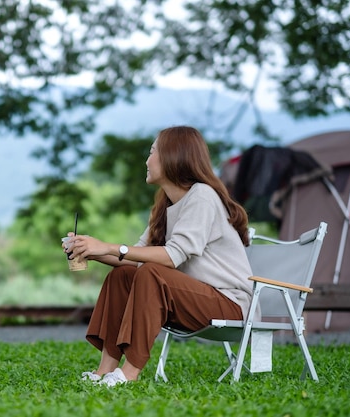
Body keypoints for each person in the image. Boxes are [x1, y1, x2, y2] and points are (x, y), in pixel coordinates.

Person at [63, 125, 254, 387]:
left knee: (152, 273)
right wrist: (92, 251)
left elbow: (173, 256)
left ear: (174, 156)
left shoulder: (203, 196)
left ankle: (128, 374)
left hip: (228, 304)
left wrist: (108, 246)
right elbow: (134, 257)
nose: (147, 160)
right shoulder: (166, 204)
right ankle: (104, 371)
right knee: (123, 275)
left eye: (152, 152)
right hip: (192, 298)